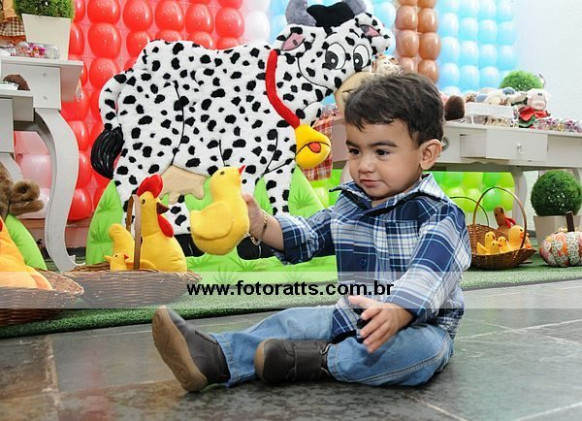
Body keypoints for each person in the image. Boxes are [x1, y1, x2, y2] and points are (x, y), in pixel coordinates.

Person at [151, 73, 471, 392]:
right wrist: (261, 224)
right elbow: (308, 234)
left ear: (426, 154)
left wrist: (399, 310)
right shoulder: (352, 204)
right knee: (291, 321)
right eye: (356, 151)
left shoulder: (440, 214)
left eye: (382, 152)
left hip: (420, 326)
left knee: (416, 353)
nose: (364, 166)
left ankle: (318, 359)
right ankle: (217, 357)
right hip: (351, 315)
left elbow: (428, 275)